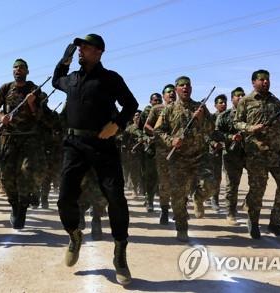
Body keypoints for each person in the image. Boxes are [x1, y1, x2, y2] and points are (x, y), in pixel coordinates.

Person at [52, 33, 138, 285]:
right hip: (74, 145)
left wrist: (117, 125)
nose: (81, 51)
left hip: (102, 144)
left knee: (116, 198)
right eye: (79, 48)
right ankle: (74, 234)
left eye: (86, 48)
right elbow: (56, 79)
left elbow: (130, 104)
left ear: (99, 52)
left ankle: (120, 252)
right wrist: (64, 58)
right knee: (65, 197)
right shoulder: (72, 79)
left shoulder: (110, 79)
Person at [0, 58, 50, 230]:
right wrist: (1, 117)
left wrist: (31, 104)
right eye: (15, 68)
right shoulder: (6, 88)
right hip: (9, 137)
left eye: (21, 68)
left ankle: (22, 206)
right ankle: (14, 204)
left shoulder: (35, 90)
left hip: (30, 138)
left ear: (27, 71)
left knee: (26, 171)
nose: (18, 70)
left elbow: (42, 116)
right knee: (6, 175)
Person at [234, 69, 280, 239]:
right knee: (257, 190)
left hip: (277, 153)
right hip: (257, 154)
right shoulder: (246, 101)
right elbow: (237, 123)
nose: (265, 82)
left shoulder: (275, 101)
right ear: (253, 82)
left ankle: (276, 223)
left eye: (267, 79)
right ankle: (253, 222)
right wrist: (250, 128)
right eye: (261, 80)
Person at [156, 76, 217, 242]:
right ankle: (182, 227)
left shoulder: (200, 107)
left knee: (210, 185)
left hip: (199, 156)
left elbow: (212, 128)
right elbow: (158, 131)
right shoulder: (168, 110)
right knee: (177, 196)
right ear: (176, 89)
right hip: (178, 158)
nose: (185, 88)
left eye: (188, 85)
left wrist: (202, 118)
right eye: (181, 85)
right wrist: (171, 141)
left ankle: (198, 198)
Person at [145, 84, 176, 224]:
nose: (171, 94)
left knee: (181, 181)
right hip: (163, 151)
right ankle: (164, 210)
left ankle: (180, 210)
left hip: (180, 151)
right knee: (164, 182)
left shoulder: (182, 108)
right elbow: (147, 125)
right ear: (163, 95)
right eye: (168, 92)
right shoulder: (157, 109)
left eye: (173, 92)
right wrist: (158, 134)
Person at [215, 87, 246, 225]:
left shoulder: (251, 113)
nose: (240, 98)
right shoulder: (225, 116)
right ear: (232, 98)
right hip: (232, 154)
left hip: (251, 153)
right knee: (232, 185)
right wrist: (231, 137)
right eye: (237, 96)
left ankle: (249, 203)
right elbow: (216, 133)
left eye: (242, 95)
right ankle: (231, 212)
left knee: (259, 181)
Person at [208, 94, 227, 211]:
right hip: (214, 151)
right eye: (221, 102)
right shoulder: (211, 118)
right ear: (215, 105)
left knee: (223, 177)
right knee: (215, 176)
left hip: (228, 150)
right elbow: (206, 134)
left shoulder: (230, 116)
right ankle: (213, 199)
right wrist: (214, 143)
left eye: (225, 102)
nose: (223, 104)